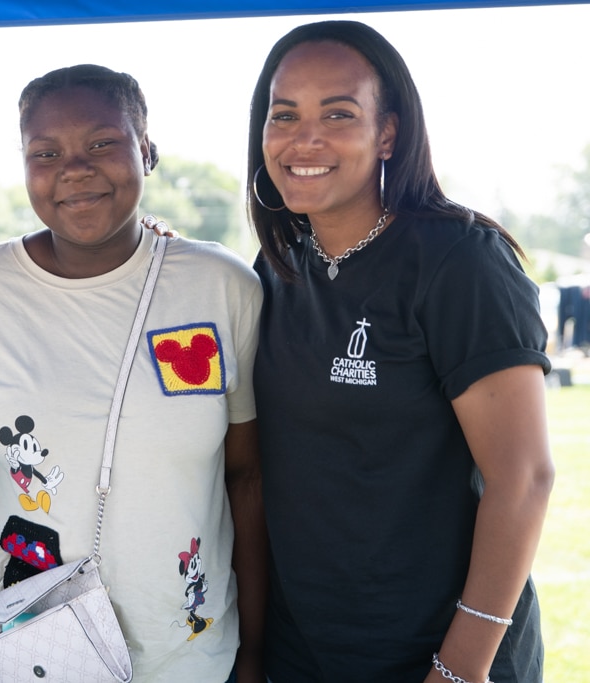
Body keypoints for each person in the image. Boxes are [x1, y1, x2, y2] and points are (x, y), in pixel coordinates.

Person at [0, 64, 267, 682]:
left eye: (101, 143)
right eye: (46, 151)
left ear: (147, 150)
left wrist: (251, 653)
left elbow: (245, 478)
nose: (75, 168)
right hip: (29, 656)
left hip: (191, 658)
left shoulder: (221, 289)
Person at [247, 20, 554, 683]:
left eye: (339, 112)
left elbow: (523, 479)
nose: (307, 137)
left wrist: (458, 668)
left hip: (438, 657)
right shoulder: (276, 269)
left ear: (388, 132)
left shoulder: (461, 262)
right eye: (285, 114)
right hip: (306, 655)